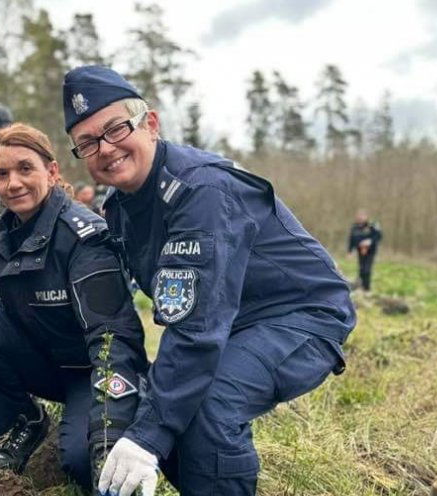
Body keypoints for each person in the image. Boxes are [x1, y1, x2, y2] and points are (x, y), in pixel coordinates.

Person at [62, 66, 355, 496]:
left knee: (207, 403)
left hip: (300, 315)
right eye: (88, 142)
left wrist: (147, 437)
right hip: (230, 321)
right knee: (169, 403)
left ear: (151, 124)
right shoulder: (121, 208)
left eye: (115, 129)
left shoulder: (201, 192)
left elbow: (196, 329)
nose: (105, 149)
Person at [0, 123, 148, 492]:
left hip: (91, 373)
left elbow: (114, 338)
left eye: (26, 169)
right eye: (2, 174)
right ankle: (25, 422)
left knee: (83, 464)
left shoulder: (84, 238)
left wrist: (109, 427)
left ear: (52, 171)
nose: (13, 184)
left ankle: (117, 422)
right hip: (44, 361)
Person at [347, 209, 382, 291]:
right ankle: (361, 286)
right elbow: (351, 240)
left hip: (370, 251)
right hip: (360, 251)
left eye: (362, 216)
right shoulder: (354, 227)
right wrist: (349, 251)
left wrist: (369, 241)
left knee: (367, 269)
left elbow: (378, 236)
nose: (360, 218)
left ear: (366, 217)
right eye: (359, 216)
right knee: (361, 268)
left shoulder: (372, 225)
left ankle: (367, 288)